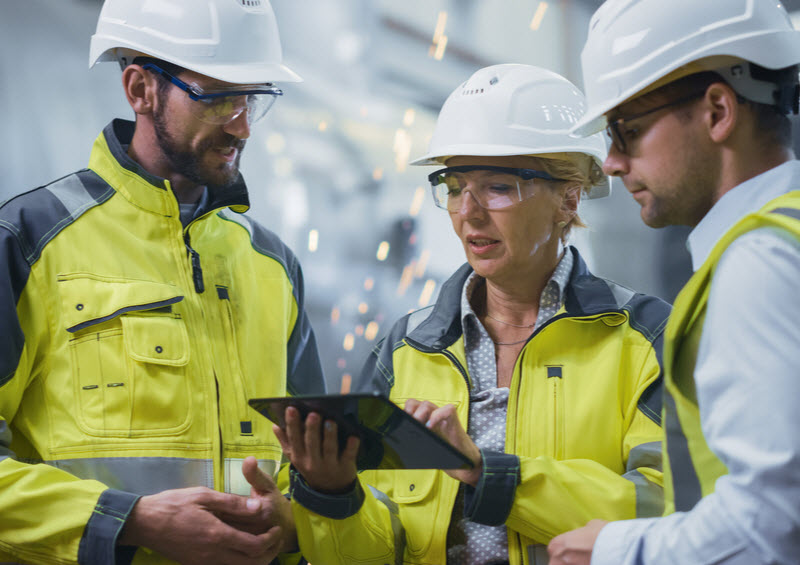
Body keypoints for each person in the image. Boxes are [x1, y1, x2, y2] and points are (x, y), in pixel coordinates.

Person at [274, 64, 670, 565]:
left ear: (568, 198)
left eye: (499, 186)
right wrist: (331, 493)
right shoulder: (408, 347)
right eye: (456, 186)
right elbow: (380, 549)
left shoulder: (643, 340)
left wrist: (489, 474)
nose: (469, 212)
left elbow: (664, 510)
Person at [0, 0, 326, 563]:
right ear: (140, 89)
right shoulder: (30, 242)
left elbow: (317, 461)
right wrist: (131, 522)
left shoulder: (272, 264)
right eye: (219, 96)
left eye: (252, 98)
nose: (242, 124)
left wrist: (297, 519)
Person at [547, 1, 800, 564]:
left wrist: (617, 550)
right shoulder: (786, 236)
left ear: (716, 111)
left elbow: (772, 525)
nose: (610, 161)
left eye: (628, 131)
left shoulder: (757, 265)